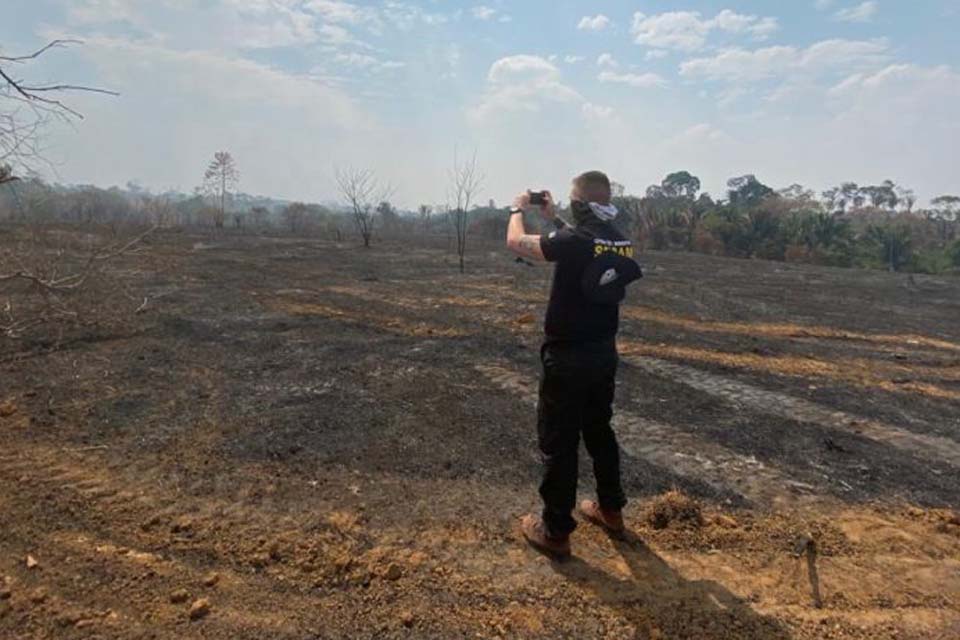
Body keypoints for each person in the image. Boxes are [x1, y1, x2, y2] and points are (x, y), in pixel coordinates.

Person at [506, 170, 641, 559]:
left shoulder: (577, 241)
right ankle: (611, 510)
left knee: (559, 441)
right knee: (599, 429)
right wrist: (555, 220)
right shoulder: (618, 238)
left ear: (580, 204)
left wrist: (518, 208)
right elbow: (586, 242)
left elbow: (515, 242)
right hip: (603, 353)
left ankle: (555, 531)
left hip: (567, 356)